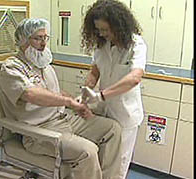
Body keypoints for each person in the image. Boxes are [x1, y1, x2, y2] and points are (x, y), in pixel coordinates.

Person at [0, 18, 124, 179]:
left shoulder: (43, 65)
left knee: (113, 129)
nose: (43, 43)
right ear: (23, 41)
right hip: (38, 132)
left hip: (64, 119)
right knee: (88, 151)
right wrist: (67, 102)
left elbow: (55, 92)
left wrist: (77, 102)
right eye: (37, 38)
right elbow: (31, 94)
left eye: (45, 38)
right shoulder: (12, 68)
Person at [80, 0, 147, 178]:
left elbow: (134, 78)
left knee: (117, 166)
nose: (102, 34)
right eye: (98, 30)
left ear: (118, 25)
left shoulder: (136, 45)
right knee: (100, 160)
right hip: (103, 113)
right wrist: (86, 92)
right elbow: (95, 71)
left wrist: (100, 96)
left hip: (124, 116)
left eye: (105, 30)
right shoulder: (102, 45)